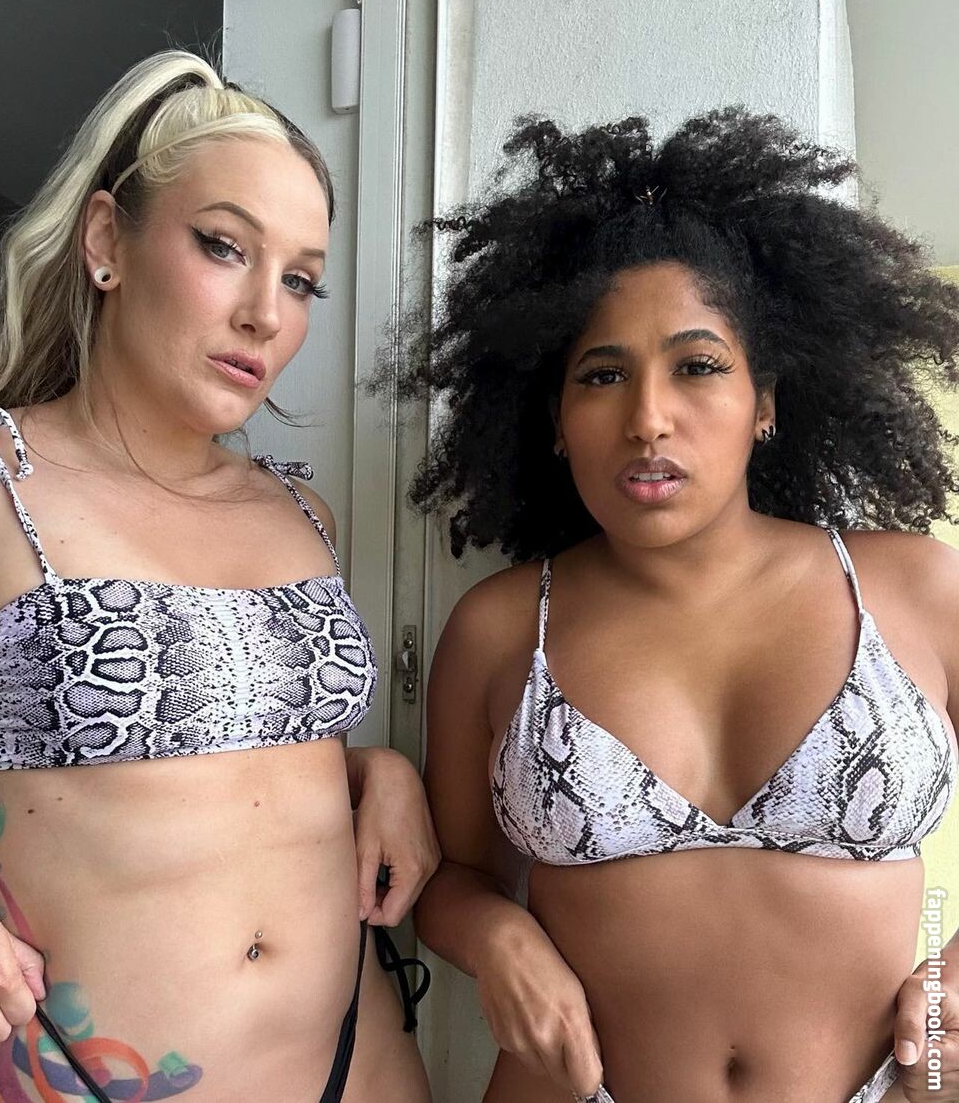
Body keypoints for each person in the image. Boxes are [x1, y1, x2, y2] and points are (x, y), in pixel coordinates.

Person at [0, 50, 437, 1102]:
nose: (267, 312)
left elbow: (231, 764)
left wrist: (376, 770)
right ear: (106, 242)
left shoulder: (298, 513)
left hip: (359, 1070)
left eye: (301, 279)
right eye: (224, 246)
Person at [396, 108, 959, 1102]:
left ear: (765, 399)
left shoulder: (915, 587)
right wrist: (496, 936)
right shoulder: (500, 626)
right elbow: (451, 878)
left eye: (697, 366)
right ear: (557, 420)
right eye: (602, 375)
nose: (648, 417)